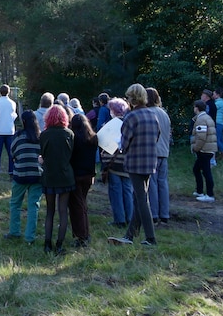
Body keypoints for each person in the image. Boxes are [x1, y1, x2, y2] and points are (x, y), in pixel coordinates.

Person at [107, 83, 160, 247]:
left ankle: (150, 238)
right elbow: (156, 136)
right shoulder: (153, 115)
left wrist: (120, 144)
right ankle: (130, 235)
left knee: (142, 200)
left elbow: (124, 142)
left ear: (132, 98)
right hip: (150, 161)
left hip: (135, 162)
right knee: (140, 199)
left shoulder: (131, 117)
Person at [40, 105, 75, 254]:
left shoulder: (44, 135)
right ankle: (59, 245)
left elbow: (43, 154)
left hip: (49, 174)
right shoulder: (69, 134)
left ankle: (47, 244)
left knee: (49, 211)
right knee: (63, 212)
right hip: (65, 174)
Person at [6, 111, 43, 244]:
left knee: (15, 204)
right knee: (34, 206)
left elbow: (12, 153)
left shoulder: (18, 136)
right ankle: (30, 237)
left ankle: (14, 231)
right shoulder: (40, 137)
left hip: (20, 174)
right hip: (37, 175)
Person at [99, 98, 132, 227]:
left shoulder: (112, 125)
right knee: (127, 191)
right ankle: (129, 217)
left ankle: (119, 219)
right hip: (127, 163)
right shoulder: (129, 123)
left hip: (113, 164)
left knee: (115, 192)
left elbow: (102, 143)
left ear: (113, 110)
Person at [68, 113, 97, 248]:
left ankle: (82, 235)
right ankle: (84, 233)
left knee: (77, 206)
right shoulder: (93, 138)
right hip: (89, 175)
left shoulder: (74, 139)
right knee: (82, 203)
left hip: (76, 175)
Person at [146, 87, 172, 225]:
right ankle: (165, 214)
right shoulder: (164, 114)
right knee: (163, 183)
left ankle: (154, 214)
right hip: (164, 152)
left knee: (152, 184)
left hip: (152, 153)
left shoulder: (148, 113)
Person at [191, 99, 217, 203]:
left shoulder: (201, 120)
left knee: (206, 172)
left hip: (204, 150)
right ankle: (199, 191)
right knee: (196, 169)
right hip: (209, 149)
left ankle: (210, 194)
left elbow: (201, 137)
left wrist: (196, 148)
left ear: (196, 108)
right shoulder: (207, 117)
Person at [0, 84, 17, 179]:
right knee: (11, 153)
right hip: (10, 130)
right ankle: (11, 172)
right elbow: (14, 115)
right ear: (9, 92)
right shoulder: (12, 103)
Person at [213, 88, 223, 161]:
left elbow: (212, 109)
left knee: (217, 140)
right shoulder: (220, 102)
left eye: (214, 94)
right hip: (220, 123)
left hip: (217, 123)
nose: (213, 95)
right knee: (220, 140)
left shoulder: (218, 103)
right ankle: (222, 155)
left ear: (217, 95)